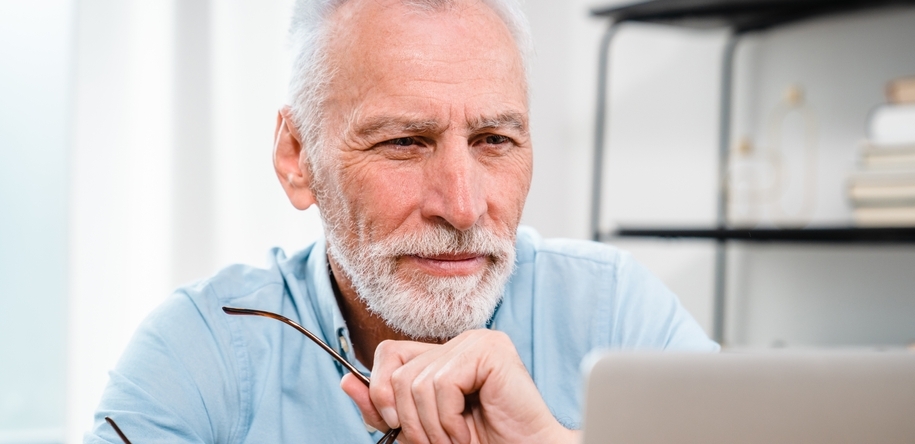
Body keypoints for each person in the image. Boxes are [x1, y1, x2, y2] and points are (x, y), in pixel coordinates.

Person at [85, 0, 718, 442]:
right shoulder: (201, 351)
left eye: (495, 139)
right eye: (404, 143)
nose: (464, 207)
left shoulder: (615, 313)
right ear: (297, 157)